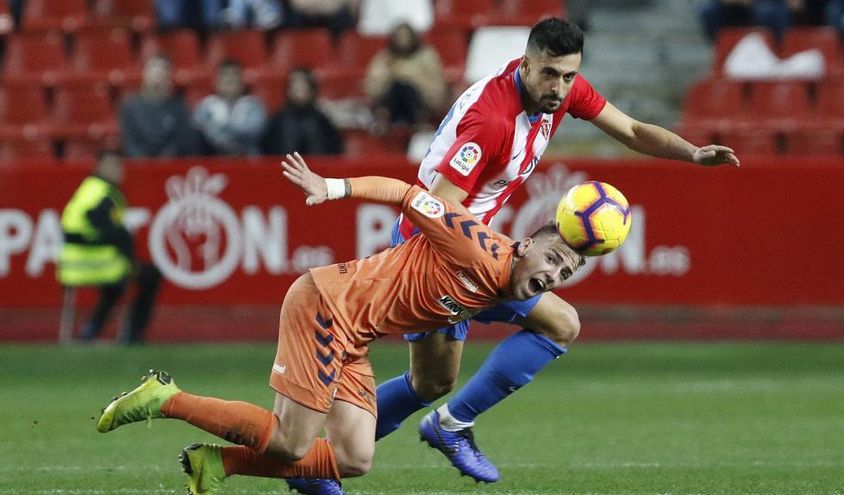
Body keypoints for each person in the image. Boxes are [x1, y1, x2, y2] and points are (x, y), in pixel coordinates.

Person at [293, 17, 740, 493]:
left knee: (443, 378)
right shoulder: (492, 122)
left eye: (569, 76)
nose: (560, 87)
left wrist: (692, 154)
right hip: (434, 255)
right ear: (526, 64)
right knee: (455, 372)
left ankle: (383, 444)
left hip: (471, 250)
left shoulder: (560, 92)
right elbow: (436, 207)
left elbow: (629, 128)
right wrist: (490, 256)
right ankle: (328, 459)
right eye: (550, 74)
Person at [95, 152, 585, 495]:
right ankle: (167, 399)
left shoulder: (508, 284)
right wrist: (331, 188)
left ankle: (215, 463)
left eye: (565, 273)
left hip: (355, 335)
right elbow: (406, 192)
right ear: (525, 244)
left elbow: (543, 317)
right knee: (291, 442)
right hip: (326, 308)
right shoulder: (472, 243)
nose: (553, 274)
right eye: (552, 259)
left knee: (353, 459)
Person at [57, 150, 162, 344]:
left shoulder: (89, 190)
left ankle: (92, 329)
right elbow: (110, 230)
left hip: (73, 265)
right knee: (149, 274)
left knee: (116, 287)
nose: (118, 170)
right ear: (99, 167)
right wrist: (129, 258)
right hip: (95, 263)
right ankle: (133, 333)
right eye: (113, 165)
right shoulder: (102, 195)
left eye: (119, 165)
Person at [363, 22, 447, 132]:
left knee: (406, 87)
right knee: (397, 86)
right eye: (399, 37)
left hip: (420, 103)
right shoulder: (384, 58)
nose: (403, 40)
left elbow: (437, 90)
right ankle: (383, 122)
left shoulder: (427, 57)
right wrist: (390, 76)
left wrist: (410, 77)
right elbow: (372, 88)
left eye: (406, 36)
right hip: (391, 103)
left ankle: (420, 121)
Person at [119, 54, 198, 158]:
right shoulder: (129, 107)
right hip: (139, 166)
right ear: (144, 73)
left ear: (169, 76)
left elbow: (181, 142)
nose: (158, 74)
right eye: (153, 69)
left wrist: (164, 161)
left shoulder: (179, 108)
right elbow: (130, 143)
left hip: (171, 167)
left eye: (163, 70)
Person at [193, 59, 268, 156]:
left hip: (247, 159)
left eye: (234, 75)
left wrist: (219, 127)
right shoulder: (205, 106)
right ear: (216, 81)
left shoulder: (254, 105)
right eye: (224, 75)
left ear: (242, 80)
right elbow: (199, 133)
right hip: (213, 159)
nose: (229, 79)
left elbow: (253, 134)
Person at [262, 68, 344, 156]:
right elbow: (266, 152)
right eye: (295, 86)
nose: (299, 90)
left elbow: (335, 151)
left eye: (303, 86)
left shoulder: (322, 121)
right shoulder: (277, 121)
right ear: (288, 91)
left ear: (312, 90)